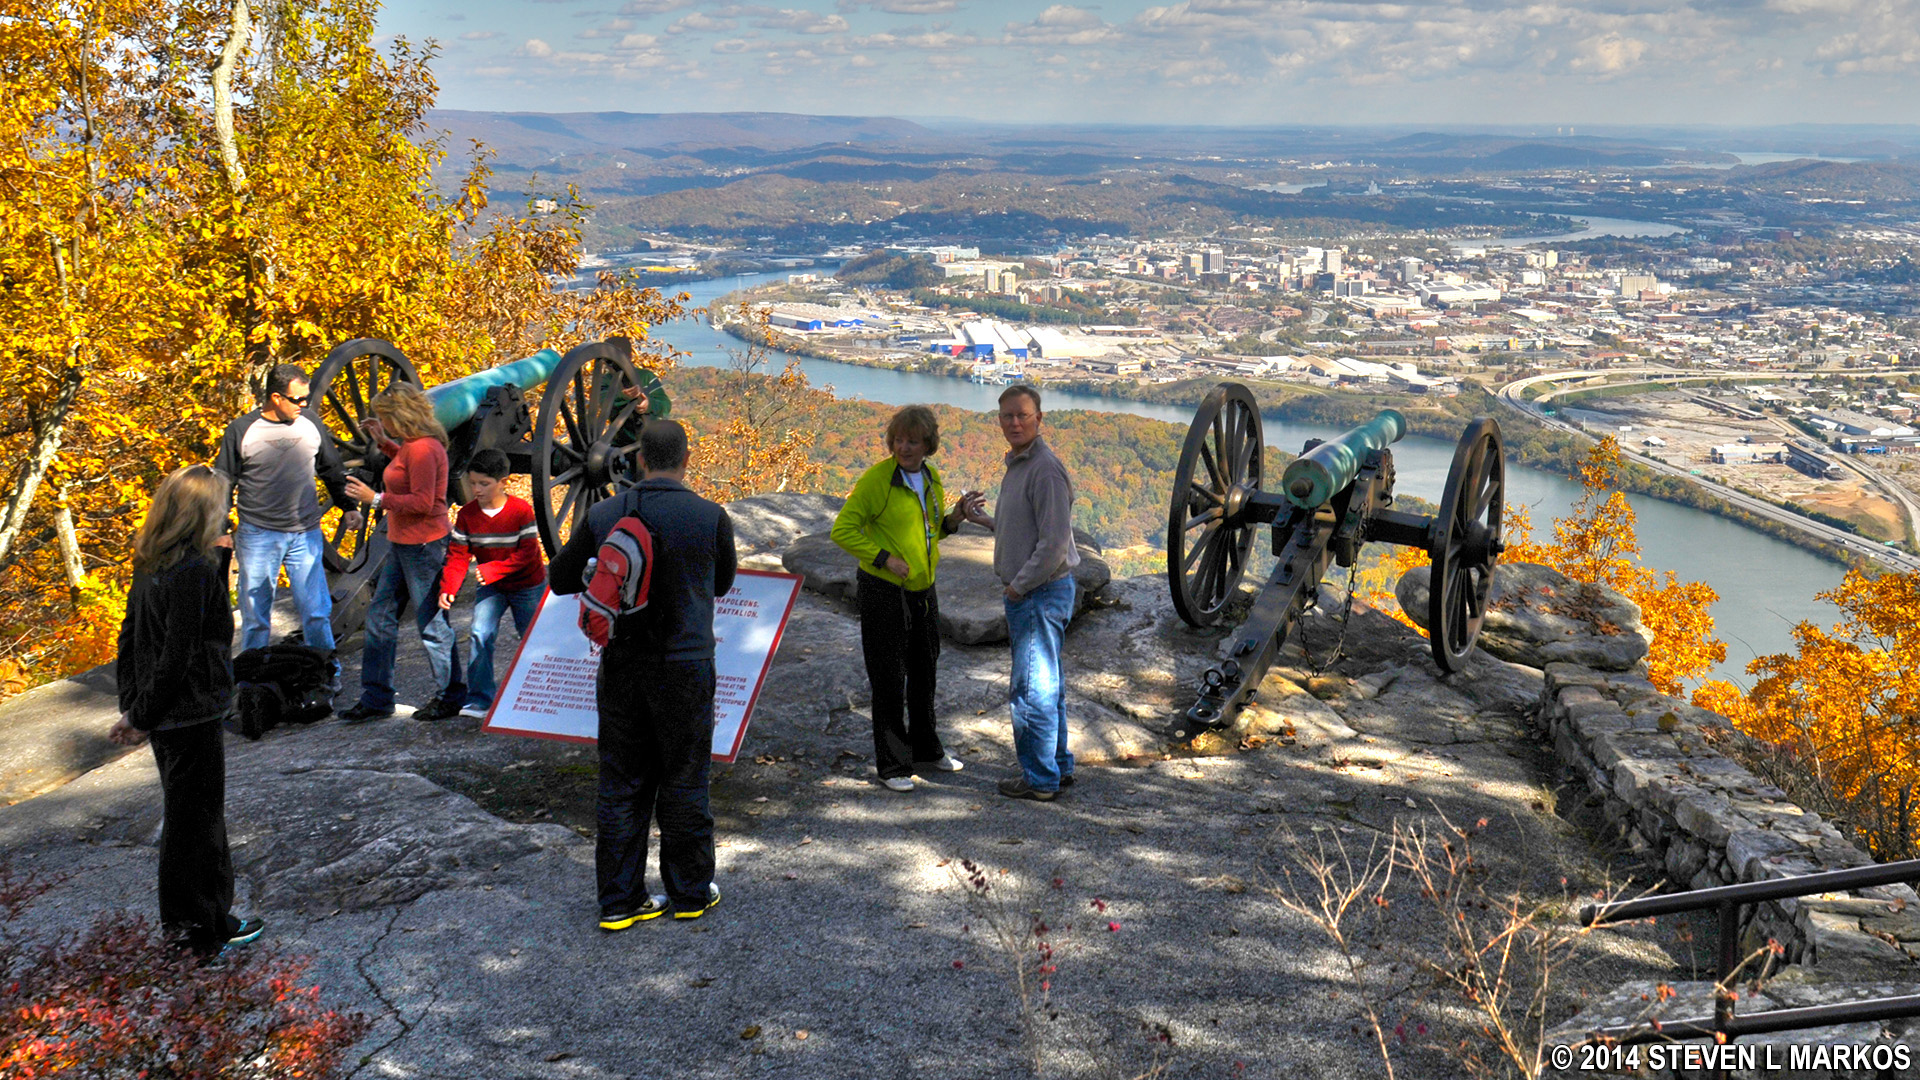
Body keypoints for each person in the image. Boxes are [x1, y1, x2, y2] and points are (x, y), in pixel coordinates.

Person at [549, 420, 737, 930]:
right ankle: (691, 894)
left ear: (638, 460)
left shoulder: (605, 513)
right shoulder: (710, 516)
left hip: (623, 666)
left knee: (622, 781)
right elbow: (722, 584)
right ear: (686, 460)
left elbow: (559, 578)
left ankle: (619, 902)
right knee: (685, 777)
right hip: (686, 666)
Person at [110, 464, 266, 958]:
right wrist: (140, 715)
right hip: (191, 712)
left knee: (197, 821)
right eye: (221, 506)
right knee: (193, 828)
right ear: (203, 512)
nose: (227, 513)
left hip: (171, 715)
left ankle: (214, 920)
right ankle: (193, 938)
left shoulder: (153, 561)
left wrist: (134, 707)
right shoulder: (192, 570)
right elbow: (180, 653)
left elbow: (131, 638)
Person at [830, 405, 976, 792]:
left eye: (912, 441)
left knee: (925, 672)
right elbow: (842, 530)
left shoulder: (930, 477)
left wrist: (955, 519)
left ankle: (926, 749)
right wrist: (884, 558)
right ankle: (893, 765)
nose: (903, 448)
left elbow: (930, 531)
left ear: (928, 444)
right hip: (884, 591)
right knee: (889, 677)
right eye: (897, 440)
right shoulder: (878, 480)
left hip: (923, 590)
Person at [963, 385, 1079, 802]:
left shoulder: (1044, 470)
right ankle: (1057, 767)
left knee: (1031, 691)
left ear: (1038, 419)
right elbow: (1026, 529)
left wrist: (1018, 587)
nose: (1014, 422)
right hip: (1038, 592)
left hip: (1038, 593)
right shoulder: (1020, 464)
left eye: (1022, 415)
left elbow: (1053, 544)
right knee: (1048, 686)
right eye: (1007, 416)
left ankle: (1039, 779)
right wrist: (986, 522)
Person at [213, 364, 360, 675]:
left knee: (316, 612)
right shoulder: (241, 430)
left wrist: (348, 506)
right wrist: (220, 529)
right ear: (276, 398)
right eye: (297, 399)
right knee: (256, 617)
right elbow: (223, 482)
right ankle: (253, 678)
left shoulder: (311, 423)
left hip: (305, 533)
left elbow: (331, 468)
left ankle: (326, 671)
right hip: (258, 536)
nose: (304, 404)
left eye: (306, 398)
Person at [340, 384, 464, 723]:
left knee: (432, 624)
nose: (383, 421)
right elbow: (406, 467)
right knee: (379, 618)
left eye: (385, 417)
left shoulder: (424, 448)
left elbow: (424, 503)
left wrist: (376, 499)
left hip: (423, 546)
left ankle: (451, 695)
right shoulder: (413, 445)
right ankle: (377, 697)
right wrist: (383, 441)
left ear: (401, 415)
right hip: (403, 543)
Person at [438, 448, 546, 719]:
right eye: (473, 483)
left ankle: (542, 697)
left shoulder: (521, 511)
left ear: (502, 482)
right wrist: (449, 587)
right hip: (493, 586)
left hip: (526, 585)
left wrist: (494, 569)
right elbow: (457, 555)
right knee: (479, 633)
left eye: (484, 484)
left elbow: (528, 554)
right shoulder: (467, 515)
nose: (476, 489)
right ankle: (480, 700)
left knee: (533, 638)